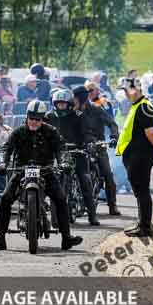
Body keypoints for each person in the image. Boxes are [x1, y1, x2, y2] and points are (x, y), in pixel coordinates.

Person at [0, 100, 83, 251]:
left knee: (61, 198)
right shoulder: (18, 132)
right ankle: (0, 236)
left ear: (42, 119)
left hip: (46, 170)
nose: (34, 122)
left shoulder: (51, 131)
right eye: (31, 118)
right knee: (5, 198)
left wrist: (64, 163)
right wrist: (2, 163)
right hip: (21, 170)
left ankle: (66, 237)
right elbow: (5, 149)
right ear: (27, 117)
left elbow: (61, 149)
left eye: (38, 119)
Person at [115, 78, 153, 238]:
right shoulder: (138, 106)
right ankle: (143, 223)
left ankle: (145, 227)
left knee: (142, 191)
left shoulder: (144, 107)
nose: (124, 94)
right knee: (140, 191)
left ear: (134, 90)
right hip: (137, 155)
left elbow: (150, 132)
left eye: (125, 90)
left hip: (141, 156)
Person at [44, 89, 99, 225]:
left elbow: (87, 133)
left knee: (85, 180)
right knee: (48, 180)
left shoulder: (78, 116)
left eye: (63, 104)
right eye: (58, 104)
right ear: (54, 104)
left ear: (69, 104)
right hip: (57, 154)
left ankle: (92, 215)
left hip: (76, 152)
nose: (61, 106)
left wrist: (89, 143)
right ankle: (46, 212)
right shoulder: (49, 116)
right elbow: (42, 132)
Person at [72, 85, 121, 216]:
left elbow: (112, 123)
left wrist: (114, 136)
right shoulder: (72, 111)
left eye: (75, 98)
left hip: (98, 146)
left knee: (107, 175)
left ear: (80, 98)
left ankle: (112, 205)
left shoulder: (97, 109)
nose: (73, 100)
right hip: (79, 146)